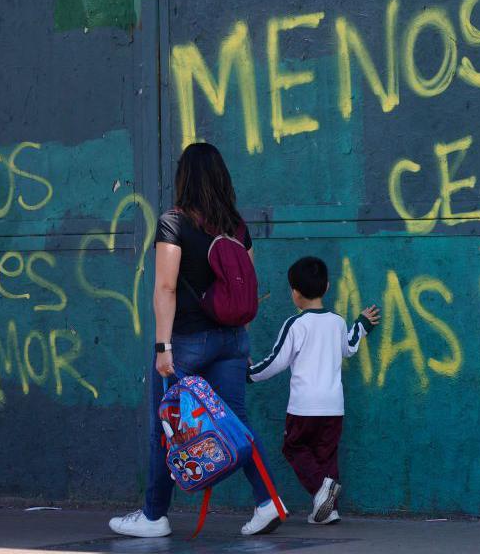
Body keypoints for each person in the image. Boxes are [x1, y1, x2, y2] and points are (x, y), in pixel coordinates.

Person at [109, 143, 286, 538]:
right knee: (236, 424)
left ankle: (154, 516)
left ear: (184, 178)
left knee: (168, 425)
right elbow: (247, 289)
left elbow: (166, 288)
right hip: (233, 340)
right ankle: (267, 500)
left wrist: (162, 346)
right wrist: (240, 339)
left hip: (188, 341)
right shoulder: (237, 226)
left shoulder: (174, 222)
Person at [248, 256, 380, 524]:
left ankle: (322, 492)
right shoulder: (337, 322)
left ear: (294, 293)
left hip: (304, 407)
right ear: (327, 286)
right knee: (326, 455)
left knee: (293, 448)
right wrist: (362, 324)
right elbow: (350, 345)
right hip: (333, 406)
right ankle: (328, 511)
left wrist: (248, 373)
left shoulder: (296, 325)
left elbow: (276, 362)